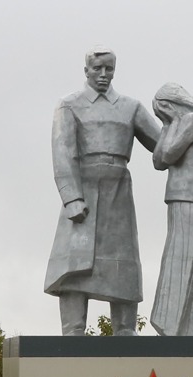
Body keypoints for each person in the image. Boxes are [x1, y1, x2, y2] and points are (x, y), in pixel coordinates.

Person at [43, 48, 161, 335]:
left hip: (118, 190)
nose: (103, 74)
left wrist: (190, 125)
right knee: (75, 267)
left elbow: (162, 146)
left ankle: (125, 332)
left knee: (123, 266)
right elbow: (62, 152)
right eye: (98, 69)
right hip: (84, 189)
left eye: (109, 69)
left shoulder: (130, 107)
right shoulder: (69, 105)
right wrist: (72, 197)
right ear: (86, 70)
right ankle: (73, 333)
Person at [148, 83, 193, 337]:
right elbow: (158, 161)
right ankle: (177, 327)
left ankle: (180, 327)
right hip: (183, 200)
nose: (162, 118)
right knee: (178, 260)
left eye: (161, 112)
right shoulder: (183, 123)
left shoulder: (192, 120)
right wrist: (168, 125)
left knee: (185, 262)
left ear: (169, 105)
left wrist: (167, 125)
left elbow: (167, 154)